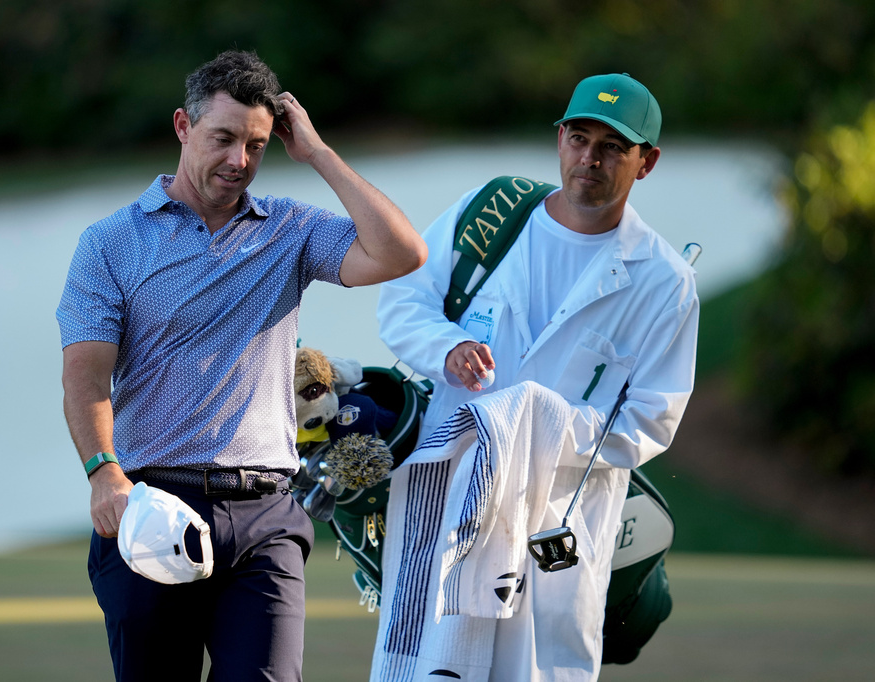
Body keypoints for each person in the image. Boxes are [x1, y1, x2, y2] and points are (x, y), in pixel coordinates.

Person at [56, 50, 426, 682]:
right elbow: (86, 379)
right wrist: (102, 473)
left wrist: (317, 154)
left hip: (266, 519)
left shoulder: (289, 228)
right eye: (222, 139)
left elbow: (400, 253)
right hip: (153, 508)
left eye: (257, 145)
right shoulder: (109, 244)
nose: (239, 161)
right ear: (182, 127)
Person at [372, 73, 699, 681]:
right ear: (559, 139)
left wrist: (537, 423)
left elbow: (651, 420)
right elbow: (401, 302)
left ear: (646, 162)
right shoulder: (490, 214)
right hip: (448, 508)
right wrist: (448, 348)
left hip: (558, 527)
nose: (590, 159)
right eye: (579, 137)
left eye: (612, 147)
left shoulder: (664, 282)